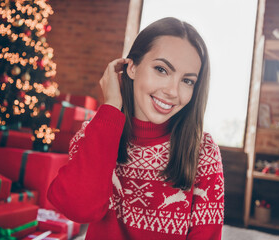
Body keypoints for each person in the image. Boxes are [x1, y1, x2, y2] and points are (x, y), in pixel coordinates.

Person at [48, 17, 224, 240]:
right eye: (161, 69)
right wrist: (111, 106)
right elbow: (78, 209)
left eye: (187, 81)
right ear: (131, 67)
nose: (173, 91)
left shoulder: (204, 152)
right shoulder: (94, 133)